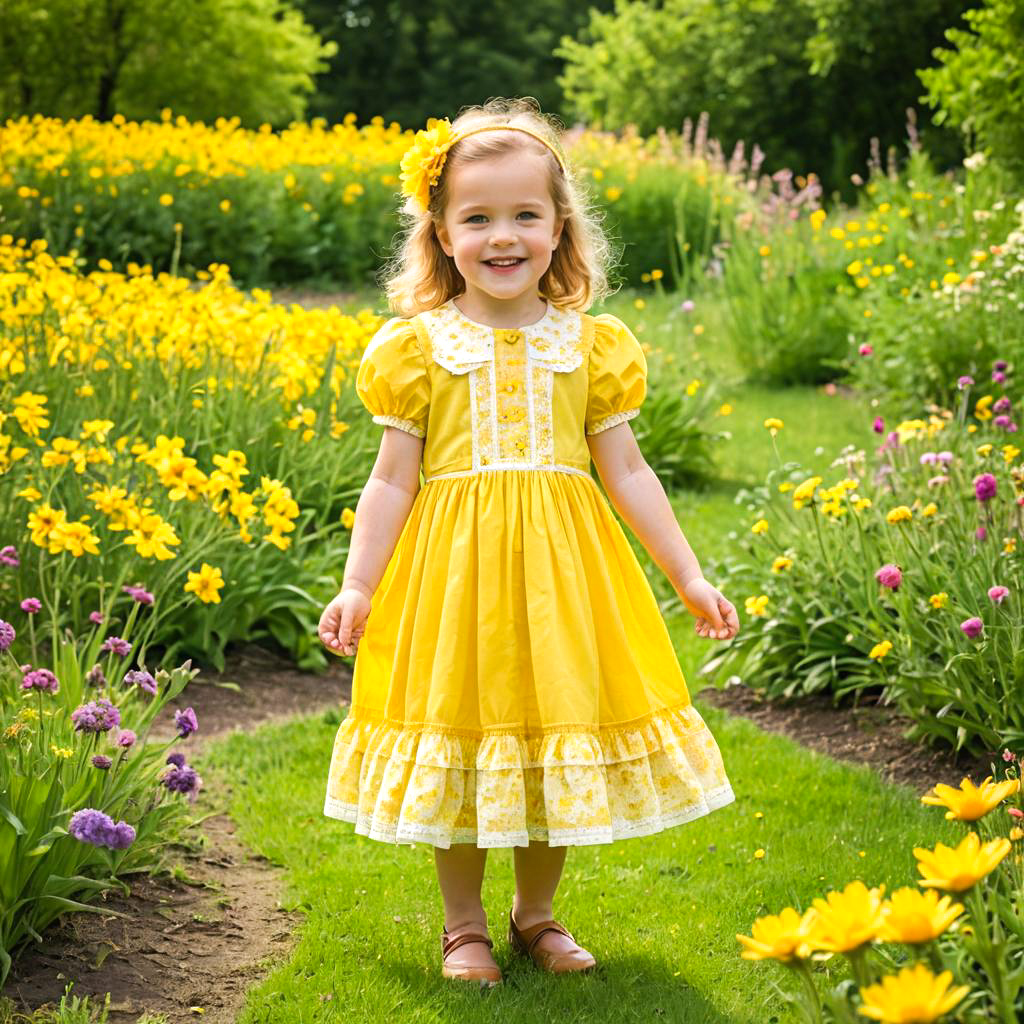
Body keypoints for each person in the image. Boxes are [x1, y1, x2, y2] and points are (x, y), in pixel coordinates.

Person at [318, 96, 738, 988]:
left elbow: (627, 473)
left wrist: (689, 576)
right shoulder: (419, 349)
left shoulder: (589, 346)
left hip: (564, 583)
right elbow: (392, 480)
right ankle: (463, 926)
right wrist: (359, 585)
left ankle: (536, 916)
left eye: (524, 216)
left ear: (559, 229)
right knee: (464, 735)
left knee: (554, 735)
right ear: (440, 231)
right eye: (477, 217)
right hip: (454, 582)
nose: (501, 236)